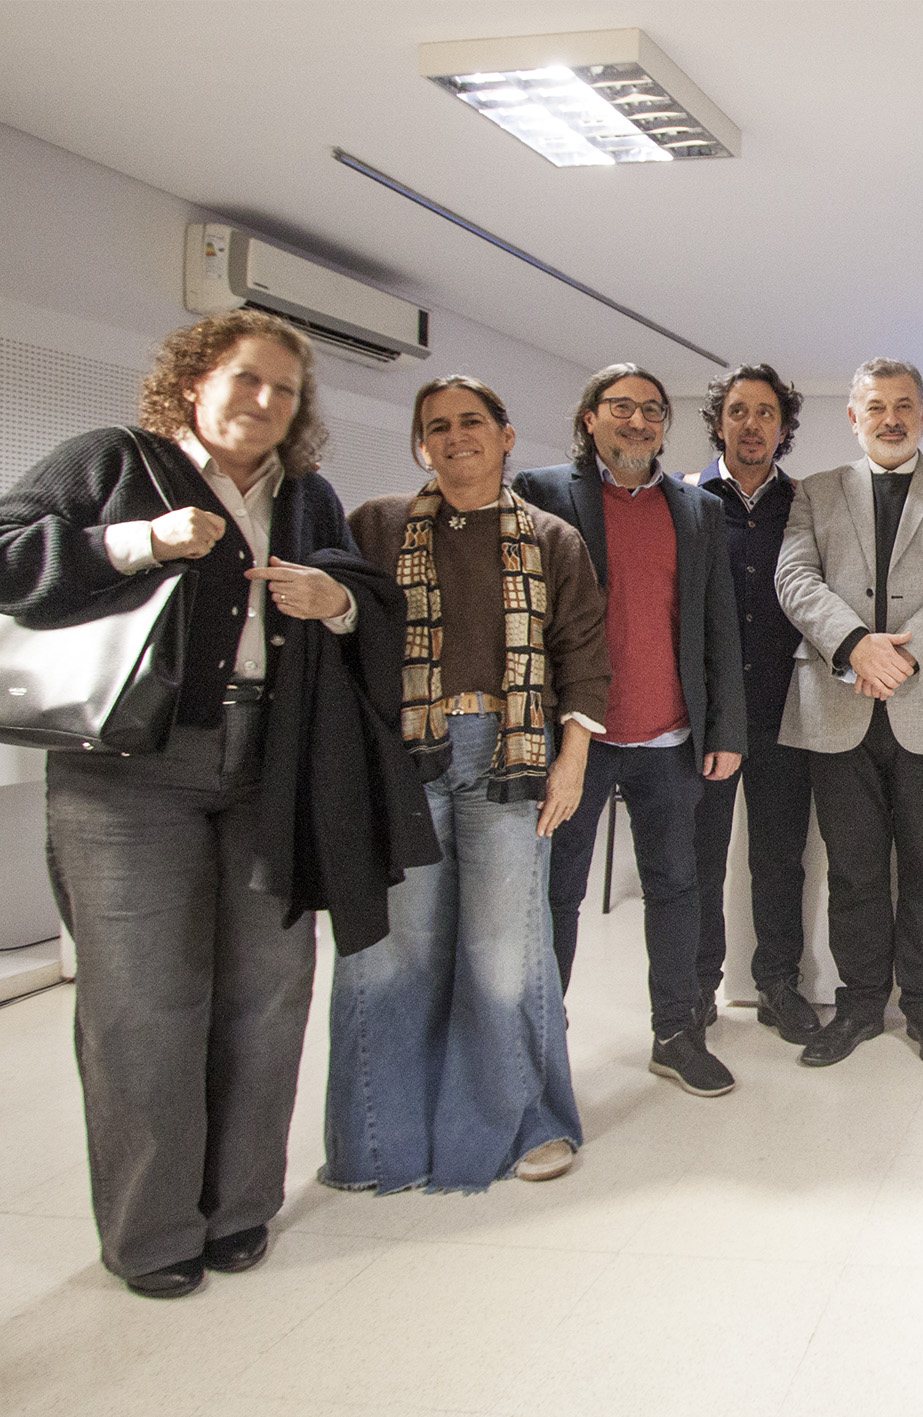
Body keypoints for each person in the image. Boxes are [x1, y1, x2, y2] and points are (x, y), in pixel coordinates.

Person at [0, 311, 429, 1298]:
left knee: (269, 992)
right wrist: (135, 542)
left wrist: (337, 602)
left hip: (272, 763)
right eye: (245, 378)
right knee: (143, 1004)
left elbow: (369, 602)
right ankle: (153, 1233)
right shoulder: (114, 461)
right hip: (130, 772)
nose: (265, 400)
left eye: (284, 389)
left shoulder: (307, 496)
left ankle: (239, 1209)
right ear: (193, 382)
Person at [328, 375, 610, 1192]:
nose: (457, 436)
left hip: (511, 752)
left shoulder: (553, 538)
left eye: (473, 421)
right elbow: (345, 635)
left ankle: (525, 1125)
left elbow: (583, 654)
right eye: (438, 426)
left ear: (506, 435)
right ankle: (382, 1143)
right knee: (394, 950)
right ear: (422, 444)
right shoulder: (376, 525)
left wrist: (571, 760)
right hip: (406, 753)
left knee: (504, 951)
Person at [516, 364, 746, 1096]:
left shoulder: (697, 509)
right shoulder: (540, 493)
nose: (639, 421)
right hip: (575, 743)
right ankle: (540, 1046)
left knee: (677, 888)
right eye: (622, 407)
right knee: (556, 893)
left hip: (670, 739)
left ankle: (676, 1033)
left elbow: (717, 625)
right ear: (590, 417)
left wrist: (725, 729)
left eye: (652, 409)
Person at [774, 358, 923, 1069]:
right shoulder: (815, 492)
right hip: (836, 703)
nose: (891, 418)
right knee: (853, 868)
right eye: (876, 406)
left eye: (904, 405)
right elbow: (795, 577)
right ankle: (861, 1005)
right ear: (854, 417)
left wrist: (903, 655)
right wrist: (854, 646)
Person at [685, 364, 822, 1045]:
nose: (751, 424)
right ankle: (695, 989)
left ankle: (777, 985)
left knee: (779, 859)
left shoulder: (805, 505)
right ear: (719, 422)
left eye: (766, 412)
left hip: (782, 713)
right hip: (705, 719)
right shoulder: (684, 499)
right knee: (700, 860)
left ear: (783, 427)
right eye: (738, 410)